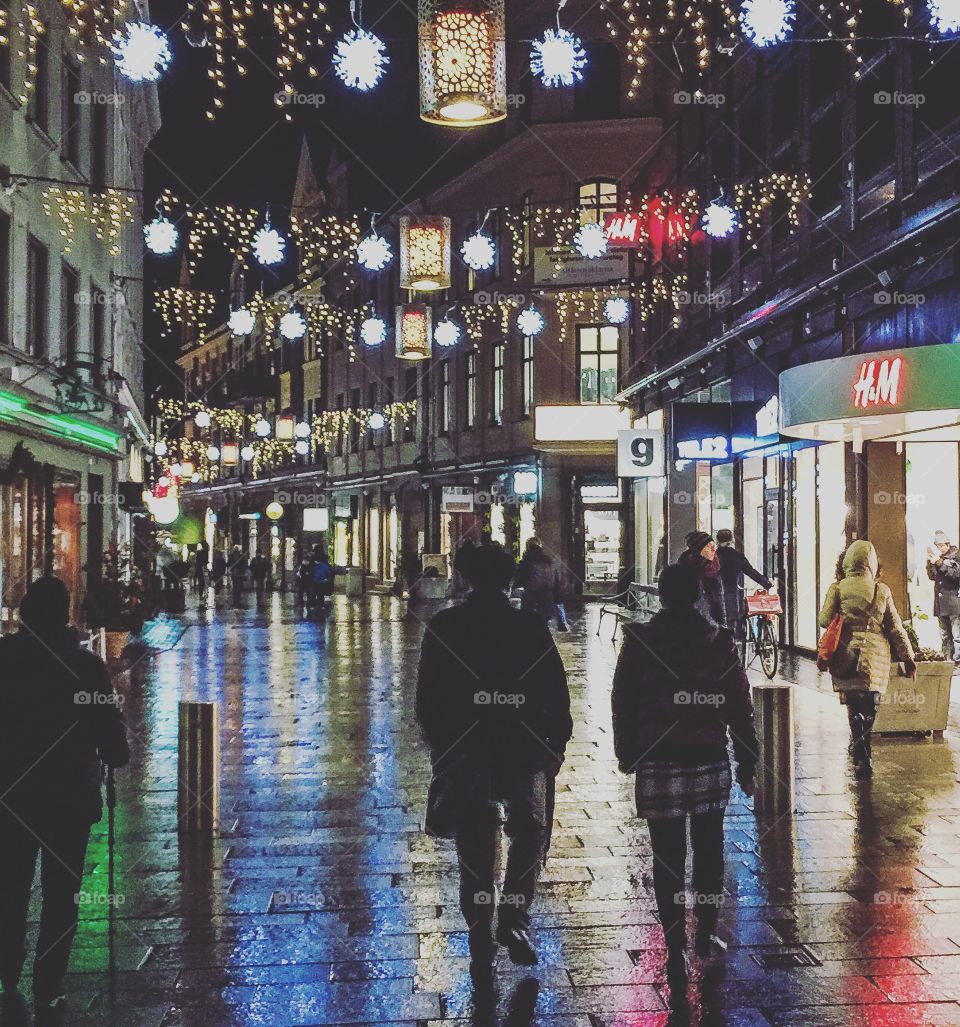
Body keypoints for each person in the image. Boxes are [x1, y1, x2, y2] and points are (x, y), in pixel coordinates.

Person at [416, 543, 572, 993]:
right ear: (508, 581)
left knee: (473, 838)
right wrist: (554, 744)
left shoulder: (446, 625)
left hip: (467, 752)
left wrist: (444, 744)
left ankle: (479, 930)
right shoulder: (527, 626)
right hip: (520, 748)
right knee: (531, 828)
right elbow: (554, 691)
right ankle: (516, 915)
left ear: (465, 578)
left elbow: (428, 698)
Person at [611, 563, 758, 998]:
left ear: (660, 595)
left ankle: (674, 942)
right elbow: (739, 704)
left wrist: (627, 752)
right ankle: (707, 931)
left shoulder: (640, 640)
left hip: (658, 758)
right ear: (698, 594)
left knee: (667, 856)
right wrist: (748, 761)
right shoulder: (718, 640)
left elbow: (623, 699)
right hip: (707, 756)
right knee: (709, 850)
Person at [0, 578, 129, 1019]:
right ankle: (48, 981)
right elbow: (110, 735)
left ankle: (6, 972)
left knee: (10, 887)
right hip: (67, 800)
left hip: (11, 797)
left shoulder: (3, 660)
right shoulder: (85, 667)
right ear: (65, 616)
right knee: (62, 893)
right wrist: (115, 750)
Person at [819, 540, 916, 779]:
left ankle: (859, 750)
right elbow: (895, 628)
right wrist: (908, 658)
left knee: (853, 704)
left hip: (845, 653)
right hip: (875, 656)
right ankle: (865, 750)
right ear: (872, 563)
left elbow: (824, 619)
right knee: (870, 704)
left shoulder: (838, 588)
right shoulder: (881, 590)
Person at [716, 528, 773, 636]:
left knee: (718, 624)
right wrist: (766, 583)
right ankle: (731, 646)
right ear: (732, 539)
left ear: (717, 540)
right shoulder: (737, 556)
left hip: (715, 595)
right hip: (731, 595)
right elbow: (751, 572)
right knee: (731, 624)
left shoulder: (714, 557)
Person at [515, 538, 567, 630]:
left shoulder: (527, 561)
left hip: (531, 597)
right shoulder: (548, 561)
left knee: (529, 624)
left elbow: (519, 579)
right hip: (547, 597)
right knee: (544, 624)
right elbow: (555, 581)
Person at [678, 530, 726, 626]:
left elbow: (718, 601)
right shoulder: (687, 564)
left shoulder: (714, 564)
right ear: (698, 549)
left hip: (713, 621)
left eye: (713, 545)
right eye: (709, 546)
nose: (713, 549)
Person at [926, 530, 960, 664]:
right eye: (938, 546)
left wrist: (939, 562)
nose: (941, 548)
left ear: (948, 543)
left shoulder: (955, 557)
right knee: (945, 635)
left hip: (954, 602)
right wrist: (930, 563)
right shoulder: (939, 558)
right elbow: (932, 576)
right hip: (941, 604)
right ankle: (947, 661)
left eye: (942, 545)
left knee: (957, 636)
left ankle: (957, 662)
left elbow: (955, 575)